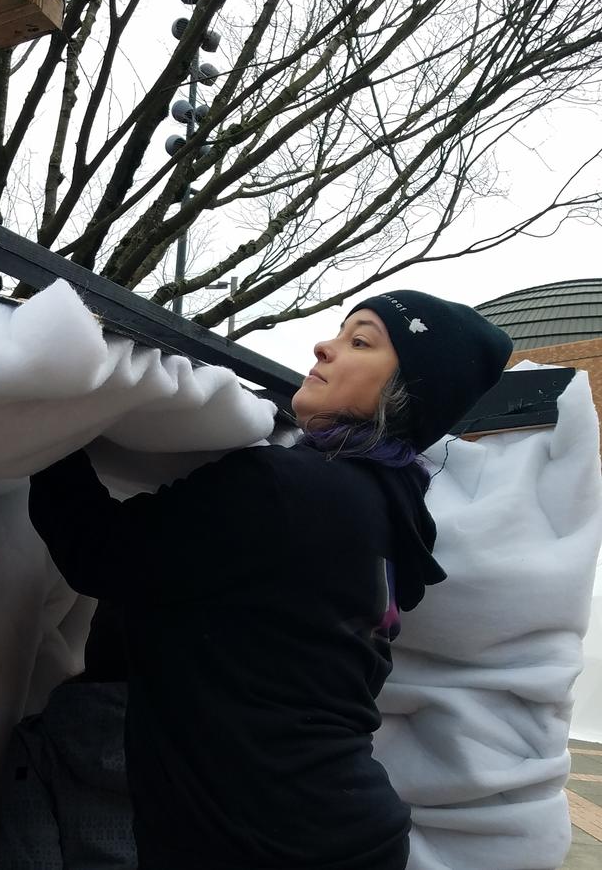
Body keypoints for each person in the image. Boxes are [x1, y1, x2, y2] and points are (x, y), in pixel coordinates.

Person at [26, 291, 512, 870]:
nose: (324, 347)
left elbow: (99, 551)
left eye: (361, 341)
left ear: (408, 392)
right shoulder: (394, 519)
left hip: (257, 840)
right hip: (344, 831)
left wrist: (40, 417)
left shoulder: (286, 489)